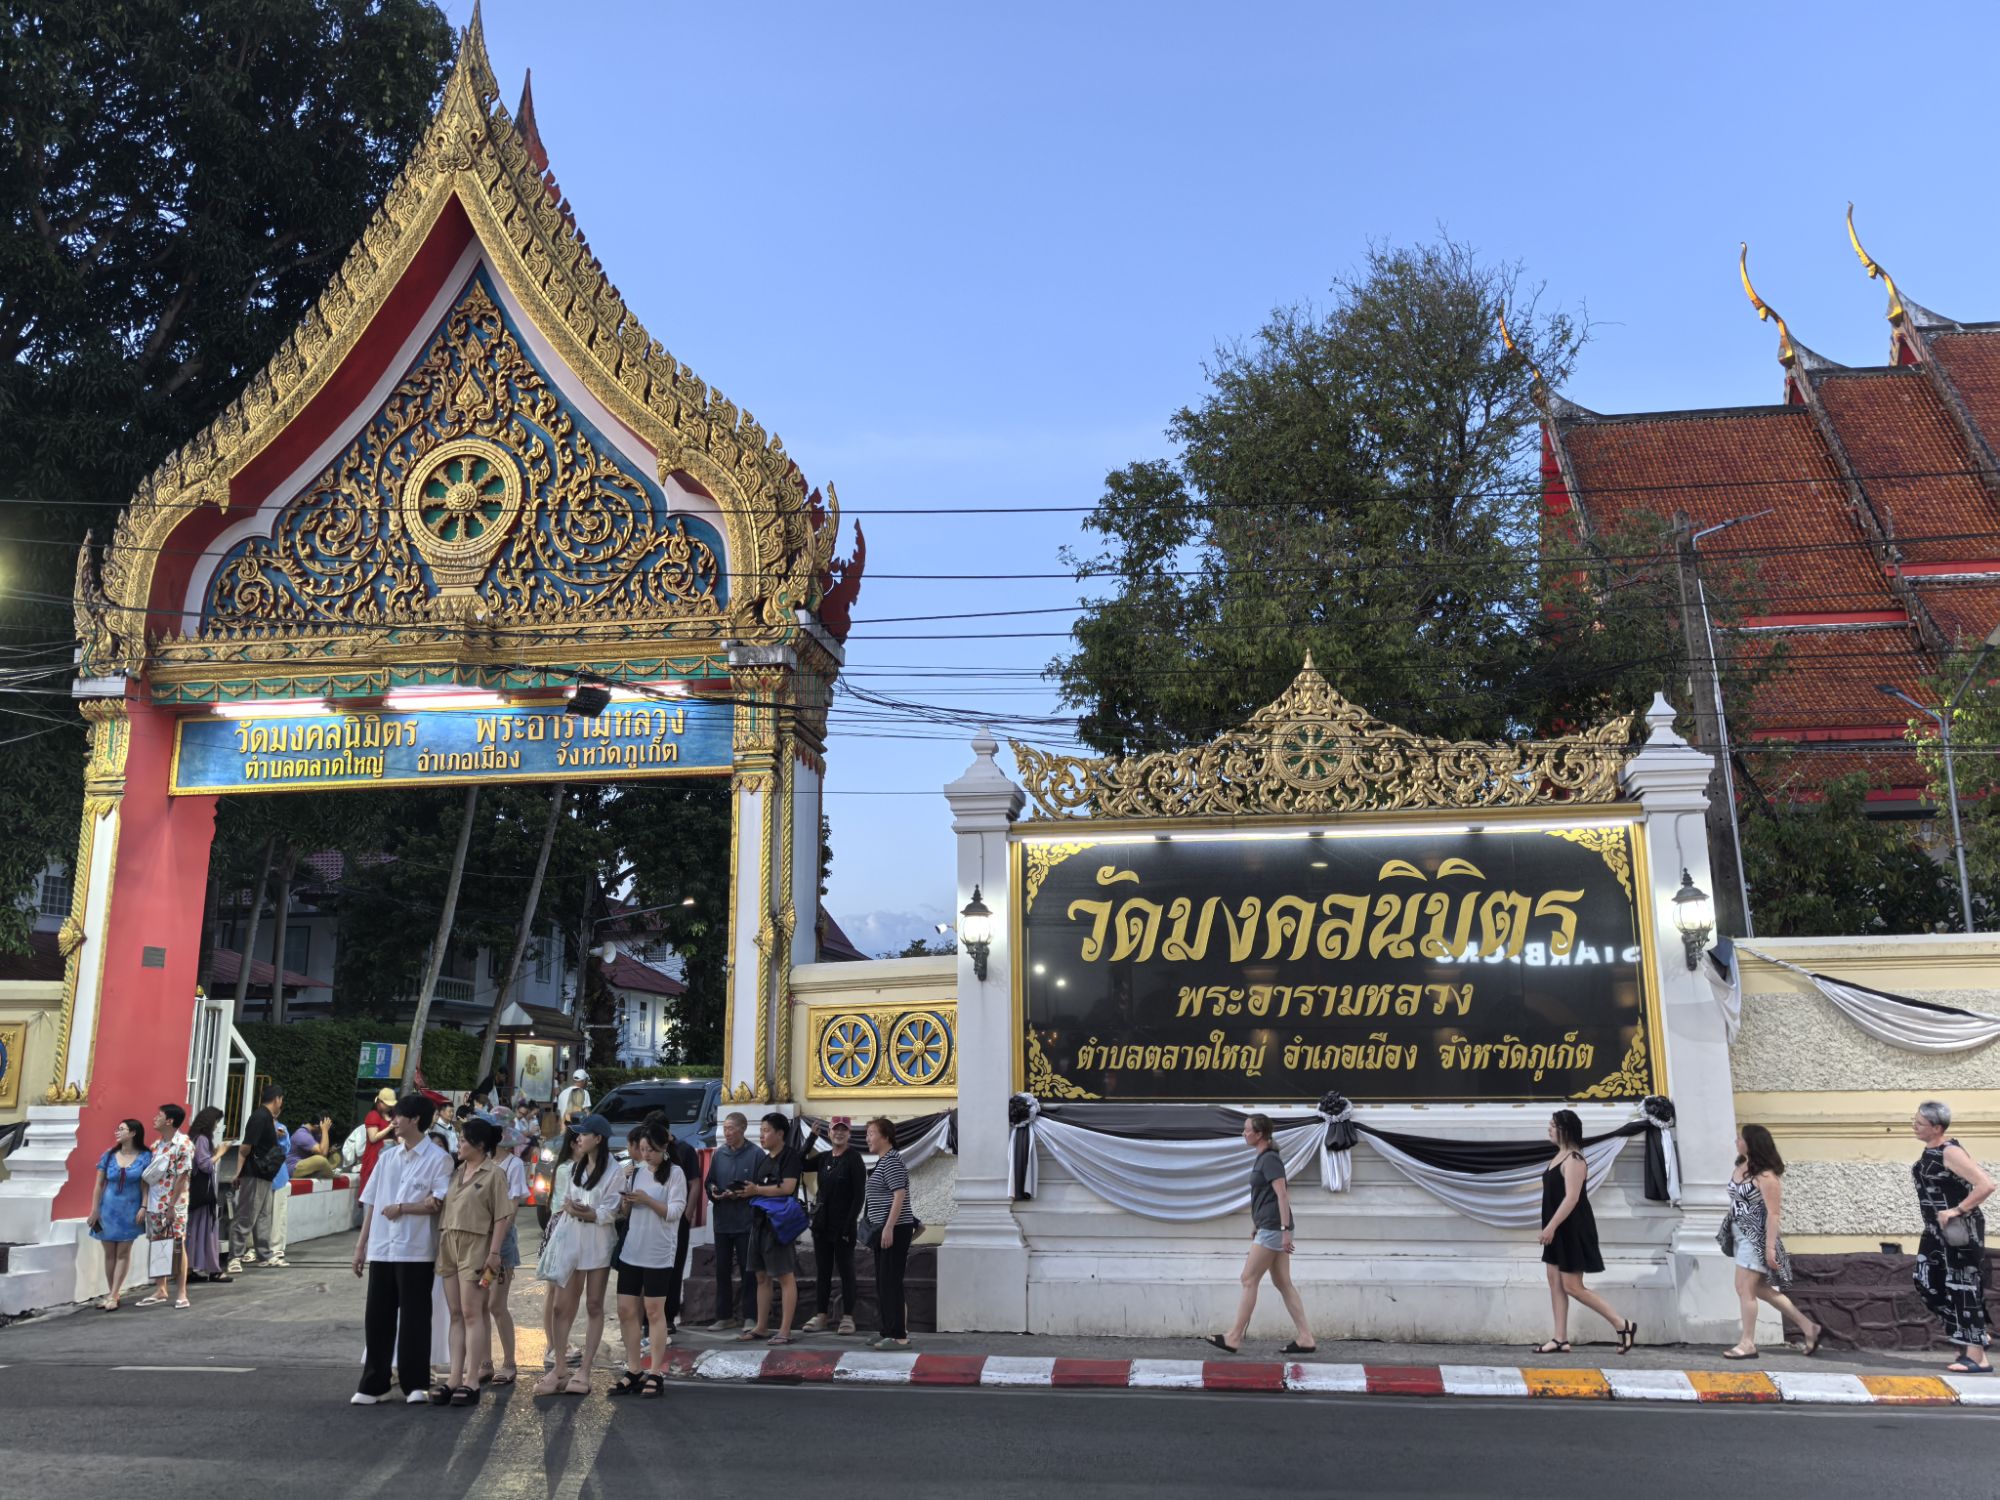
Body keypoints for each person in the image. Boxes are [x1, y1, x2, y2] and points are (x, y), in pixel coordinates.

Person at [351, 1093, 453, 1406]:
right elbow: (372, 1204)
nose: (394, 1121)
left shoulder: (439, 1159)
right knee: (377, 1318)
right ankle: (374, 1384)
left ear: (416, 1120)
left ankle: (415, 1383)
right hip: (383, 1248)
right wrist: (361, 1246)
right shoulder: (387, 1158)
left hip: (416, 1249)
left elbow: (437, 1203)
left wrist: (403, 1208)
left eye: (399, 1116)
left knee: (415, 1318)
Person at [1207, 1114, 1314, 1355]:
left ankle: (1233, 1337)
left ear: (1259, 1134)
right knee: (1283, 1282)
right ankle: (1306, 1338)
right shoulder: (1263, 1158)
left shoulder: (1270, 1160)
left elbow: (1282, 1195)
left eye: (1246, 1130)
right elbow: (1264, 1197)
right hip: (1270, 1226)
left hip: (1275, 1229)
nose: (1243, 1134)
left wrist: (1285, 1231)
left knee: (1248, 1279)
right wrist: (1259, 1222)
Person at [1532, 1108, 1635, 1354]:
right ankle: (1560, 1339)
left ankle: (1622, 1325)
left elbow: (1572, 1199)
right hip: (1557, 1227)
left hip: (1571, 1228)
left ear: (1565, 1130)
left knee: (1573, 1286)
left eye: (1553, 1124)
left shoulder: (1574, 1160)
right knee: (1554, 1282)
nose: (1549, 1128)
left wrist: (1551, 1226)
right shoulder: (1558, 1157)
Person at [536, 1115, 620, 1396]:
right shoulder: (574, 1168)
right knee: (561, 1305)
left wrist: (591, 1212)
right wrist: (574, 1209)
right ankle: (560, 1367)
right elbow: (565, 1203)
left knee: (594, 1305)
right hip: (572, 1239)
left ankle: (584, 1370)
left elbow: (611, 1210)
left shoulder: (614, 1171)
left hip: (597, 1242)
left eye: (584, 1135)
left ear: (598, 1138)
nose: (578, 1139)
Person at [1723, 1124, 1823, 1360]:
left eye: (1741, 1138)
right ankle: (1809, 1327)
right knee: (1757, 1289)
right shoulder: (1741, 1166)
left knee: (1745, 1289)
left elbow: (1773, 1214)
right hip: (1740, 1235)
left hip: (1755, 1238)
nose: (1737, 1141)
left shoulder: (1767, 1177)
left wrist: (1769, 1249)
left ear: (1752, 1143)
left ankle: (1747, 1343)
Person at [434, 1116, 515, 1406]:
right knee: (455, 1312)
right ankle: (454, 1377)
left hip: (478, 1245)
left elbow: (503, 1216)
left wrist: (494, 1254)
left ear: (480, 1145)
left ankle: (471, 1379)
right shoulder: (457, 1172)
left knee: (472, 1312)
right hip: (449, 1242)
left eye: (464, 1140)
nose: (459, 1144)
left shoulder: (494, 1174)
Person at [1911, 1099, 1995, 1373]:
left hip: (1959, 1231)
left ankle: (1977, 1356)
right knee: (1926, 1281)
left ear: (1936, 1127)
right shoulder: (1931, 1150)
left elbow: (1986, 1185)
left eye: (1920, 1123)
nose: (1914, 1126)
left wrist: (1957, 1210)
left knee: (1963, 1287)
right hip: (1936, 1230)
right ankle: (1975, 1335)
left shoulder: (1951, 1152)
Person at [609, 1120, 687, 1398]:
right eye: (642, 1149)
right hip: (633, 1249)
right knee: (626, 1310)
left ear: (664, 1148)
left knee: (654, 1312)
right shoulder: (636, 1172)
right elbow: (627, 1213)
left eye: (651, 1150)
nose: (646, 1155)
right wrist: (628, 1202)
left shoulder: (675, 1174)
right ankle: (633, 1369)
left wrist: (648, 1201)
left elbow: (676, 1211)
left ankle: (655, 1371)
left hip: (659, 1252)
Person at [731, 1111, 803, 1345]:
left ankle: (785, 1330)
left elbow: (787, 1188)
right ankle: (761, 1326)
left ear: (780, 1134)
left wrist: (757, 1191)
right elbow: (758, 1186)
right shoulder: (764, 1158)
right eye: (761, 1131)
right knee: (761, 1276)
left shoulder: (789, 1156)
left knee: (784, 1276)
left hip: (779, 1223)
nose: (762, 1135)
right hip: (759, 1221)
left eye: (766, 1130)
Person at [802, 1116, 866, 1334]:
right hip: (822, 1225)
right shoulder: (823, 1158)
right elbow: (799, 1162)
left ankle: (848, 1316)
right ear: (829, 1133)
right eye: (835, 1130)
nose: (839, 1133)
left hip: (843, 1226)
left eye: (843, 1130)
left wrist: (849, 1226)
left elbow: (859, 1196)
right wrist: (811, 1138)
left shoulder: (854, 1158)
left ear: (849, 1134)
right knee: (823, 1271)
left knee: (847, 1271)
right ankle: (821, 1315)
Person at [479, 1124, 531, 1387]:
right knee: (480, 1305)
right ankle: (485, 1362)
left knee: (495, 1305)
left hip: (499, 1245)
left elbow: (512, 1206)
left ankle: (509, 1362)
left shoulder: (513, 1165)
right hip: (479, 1243)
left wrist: (496, 1241)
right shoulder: (485, 1161)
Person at [861, 1116, 919, 1350]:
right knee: (883, 1282)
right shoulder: (883, 1162)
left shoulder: (892, 1161)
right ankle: (886, 1330)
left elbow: (899, 1195)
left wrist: (888, 1227)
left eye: (872, 1133)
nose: (868, 1138)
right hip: (883, 1230)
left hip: (894, 1229)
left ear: (886, 1137)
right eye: (867, 1134)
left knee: (891, 1282)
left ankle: (899, 1336)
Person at [705, 1111, 765, 1332]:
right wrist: (713, 1190)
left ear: (743, 1129)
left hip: (745, 1221)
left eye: (731, 1128)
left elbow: (761, 1187)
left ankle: (750, 1315)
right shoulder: (719, 1154)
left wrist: (742, 1194)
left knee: (748, 1270)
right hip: (722, 1221)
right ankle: (724, 1315)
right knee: (722, 1270)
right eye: (725, 1128)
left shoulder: (756, 1155)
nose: (727, 1133)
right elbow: (710, 1181)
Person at [87, 1118, 150, 1310]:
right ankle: (110, 1292)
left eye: (121, 1129)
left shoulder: (145, 1156)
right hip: (108, 1208)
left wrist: (144, 1206)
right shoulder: (109, 1155)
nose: (117, 1132)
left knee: (123, 1251)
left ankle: (115, 1293)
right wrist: (95, 1209)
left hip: (131, 1209)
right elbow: (99, 1184)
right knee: (109, 1253)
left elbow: (145, 1185)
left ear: (133, 1133)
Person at [139, 1103, 194, 1308]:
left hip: (174, 1203)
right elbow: (148, 1177)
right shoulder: (156, 1146)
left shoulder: (183, 1144)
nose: (155, 1118)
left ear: (169, 1120)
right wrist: (145, 1204)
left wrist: (171, 1206)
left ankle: (181, 1292)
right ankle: (160, 1288)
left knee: (177, 1244)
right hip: (155, 1201)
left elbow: (182, 1176)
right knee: (157, 1243)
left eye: (159, 1115)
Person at [540, 1127, 581, 1372]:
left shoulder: (571, 1167)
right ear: (576, 1143)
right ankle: (553, 1344)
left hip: (566, 1227)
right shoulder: (568, 1169)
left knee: (565, 1291)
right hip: (562, 1227)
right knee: (555, 1290)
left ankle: (558, 1342)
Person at [232, 1083, 285, 1272]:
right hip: (254, 1172)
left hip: (264, 1174)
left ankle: (265, 1254)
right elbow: (245, 1147)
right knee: (247, 1215)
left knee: (263, 1215)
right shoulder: (260, 1117)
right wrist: (239, 1171)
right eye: (281, 1100)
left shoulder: (266, 1117)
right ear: (277, 1098)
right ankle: (234, 1257)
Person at [659, 1127, 702, 1335]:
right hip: (657, 1222)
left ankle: (668, 1315)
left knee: (675, 1267)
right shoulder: (647, 1160)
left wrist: (688, 1213)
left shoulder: (685, 1151)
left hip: (678, 1216)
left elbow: (695, 1183)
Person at [185, 1106, 230, 1284]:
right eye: (217, 1122)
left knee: (193, 1231)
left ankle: (189, 1269)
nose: (217, 1126)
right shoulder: (203, 1139)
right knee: (209, 1230)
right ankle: (213, 1269)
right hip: (203, 1193)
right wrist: (220, 1153)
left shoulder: (193, 1138)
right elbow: (205, 1165)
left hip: (193, 1192)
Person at [358, 1088, 398, 1193]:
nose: (390, 1107)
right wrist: (390, 1127)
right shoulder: (373, 1115)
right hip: (374, 1158)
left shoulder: (393, 1115)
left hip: (390, 1159)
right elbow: (373, 1138)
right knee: (371, 1192)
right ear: (379, 1102)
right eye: (387, 1104)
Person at [288, 1113, 339, 1180]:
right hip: (294, 1168)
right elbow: (323, 1153)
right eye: (323, 1128)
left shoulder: (315, 1132)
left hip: (308, 1166)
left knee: (336, 1157)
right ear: (316, 1126)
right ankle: (330, 1175)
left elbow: (323, 1152)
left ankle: (323, 1172)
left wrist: (329, 1151)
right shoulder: (302, 1134)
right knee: (320, 1160)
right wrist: (325, 1130)